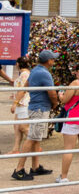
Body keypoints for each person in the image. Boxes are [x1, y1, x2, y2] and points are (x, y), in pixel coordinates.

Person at [14, 51, 59, 181]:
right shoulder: (45, 73)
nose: (54, 61)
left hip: (34, 107)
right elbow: (52, 93)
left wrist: (16, 102)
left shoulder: (34, 71)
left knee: (36, 137)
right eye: (53, 59)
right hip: (40, 108)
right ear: (48, 61)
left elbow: (25, 87)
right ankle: (19, 169)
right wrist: (55, 104)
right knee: (32, 137)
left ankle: (35, 166)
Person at [8, 57, 29, 161]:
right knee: (16, 126)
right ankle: (15, 148)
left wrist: (15, 102)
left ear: (18, 64)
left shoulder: (24, 74)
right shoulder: (24, 74)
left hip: (23, 103)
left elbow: (23, 90)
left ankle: (35, 144)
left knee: (23, 127)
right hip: (21, 103)